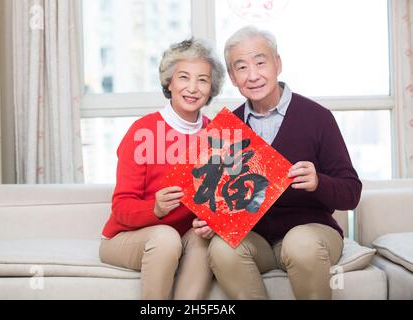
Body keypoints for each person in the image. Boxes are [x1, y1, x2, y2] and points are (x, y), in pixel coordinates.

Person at [201, 26, 362, 300]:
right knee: (221, 247)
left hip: (311, 233)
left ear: (278, 63)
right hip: (257, 240)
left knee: (300, 243)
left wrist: (318, 182)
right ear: (232, 77)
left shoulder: (317, 117)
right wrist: (213, 220)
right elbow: (221, 198)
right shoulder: (227, 129)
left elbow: (351, 193)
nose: (253, 75)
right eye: (241, 67)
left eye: (260, 62)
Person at [99, 38, 225, 300]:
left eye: (202, 80)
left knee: (204, 240)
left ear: (211, 88)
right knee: (166, 237)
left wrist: (216, 222)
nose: (192, 88)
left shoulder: (218, 135)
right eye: (183, 77)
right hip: (126, 238)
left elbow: (222, 201)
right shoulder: (142, 131)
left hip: (184, 238)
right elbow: (121, 208)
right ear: (169, 82)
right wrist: (154, 208)